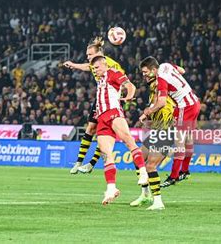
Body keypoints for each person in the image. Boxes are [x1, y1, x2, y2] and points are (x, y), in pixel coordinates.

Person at [90, 56, 148, 205]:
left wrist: (129, 97)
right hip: (101, 118)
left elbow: (130, 86)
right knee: (105, 154)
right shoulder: (101, 79)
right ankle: (111, 188)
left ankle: (143, 172)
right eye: (93, 68)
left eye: (96, 67)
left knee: (129, 141)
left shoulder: (113, 73)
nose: (94, 70)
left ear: (104, 64)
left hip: (113, 112)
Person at [63, 37, 124, 174]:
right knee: (90, 128)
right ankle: (79, 162)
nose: (88, 57)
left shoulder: (111, 65)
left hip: (112, 102)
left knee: (103, 134)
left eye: (90, 55)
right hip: (100, 100)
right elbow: (87, 66)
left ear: (99, 54)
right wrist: (73, 64)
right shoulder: (95, 64)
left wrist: (125, 94)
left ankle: (91, 163)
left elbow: (123, 80)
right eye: (87, 55)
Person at [139, 56, 200, 188]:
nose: (144, 75)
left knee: (179, 141)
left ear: (154, 69)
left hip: (185, 106)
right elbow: (182, 70)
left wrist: (147, 112)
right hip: (194, 101)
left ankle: (174, 176)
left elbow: (161, 103)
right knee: (188, 138)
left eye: (146, 72)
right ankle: (184, 170)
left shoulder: (161, 79)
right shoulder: (166, 65)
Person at [131, 77, 176, 210]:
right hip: (156, 130)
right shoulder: (153, 95)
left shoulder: (166, 96)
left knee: (150, 166)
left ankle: (158, 202)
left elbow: (166, 109)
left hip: (166, 130)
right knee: (138, 158)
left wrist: (149, 111)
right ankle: (146, 195)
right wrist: (147, 116)